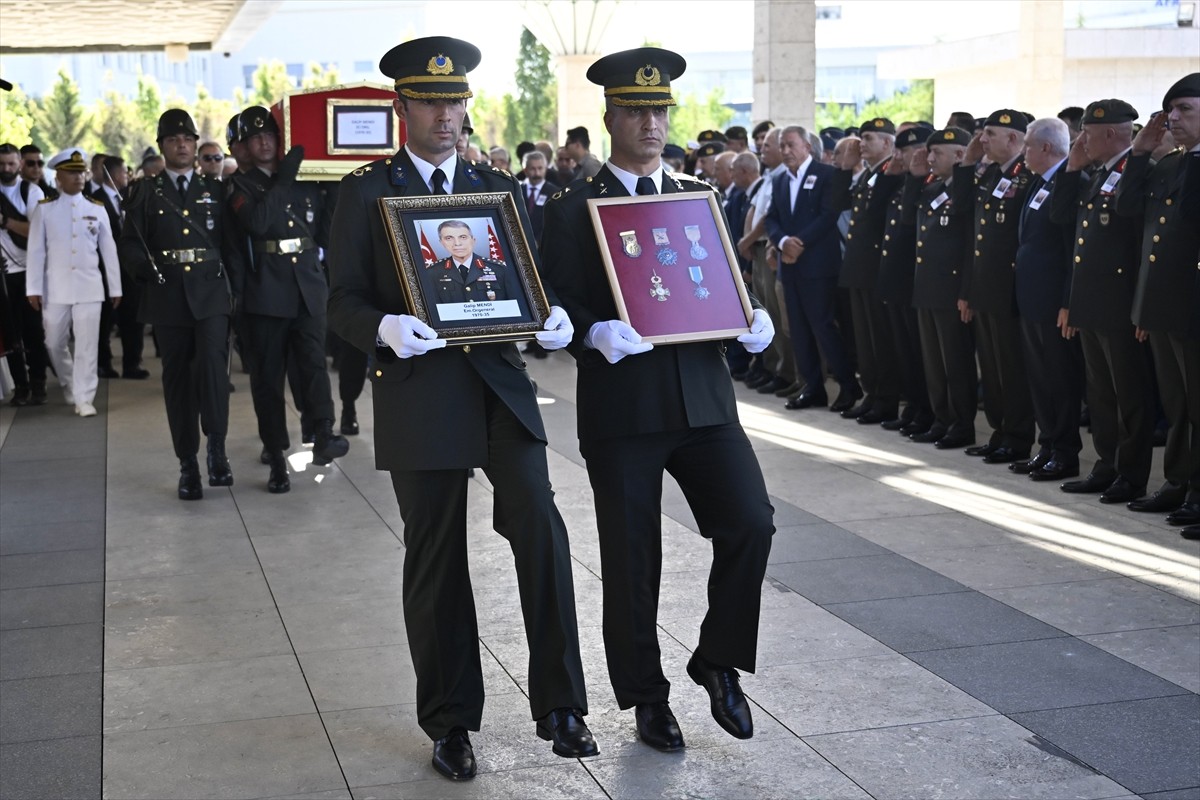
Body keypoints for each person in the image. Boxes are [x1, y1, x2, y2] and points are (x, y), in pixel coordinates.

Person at [326, 36, 594, 782]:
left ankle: (562, 705)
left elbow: (528, 283)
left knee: (540, 524)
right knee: (437, 554)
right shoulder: (366, 192)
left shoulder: (493, 189)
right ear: (401, 106)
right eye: (430, 101)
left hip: (499, 385)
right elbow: (340, 299)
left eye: (456, 101)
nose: (446, 115)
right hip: (420, 390)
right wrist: (383, 327)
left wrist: (552, 317)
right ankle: (450, 722)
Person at [538, 46, 776, 754]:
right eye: (637, 111)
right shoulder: (573, 207)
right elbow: (554, 298)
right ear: (610, 117)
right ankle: (646, 696)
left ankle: (718, 659)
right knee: (632, 561)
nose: (651, 123)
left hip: (704, 400)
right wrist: (591, 331)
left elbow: (721, 280)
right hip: (625, 408)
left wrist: (752, 316)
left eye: (659, 110)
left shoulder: (696, 197)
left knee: (750, 524)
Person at [227, 105, 349, 493]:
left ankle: (324, 431)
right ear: (244, 147)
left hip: (307, 286)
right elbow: (259, 222)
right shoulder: (239, 187)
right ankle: (277, 453)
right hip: (265, 292)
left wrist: (333, 180)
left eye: (270, 135)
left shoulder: (302, 180)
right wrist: (287, 176)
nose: (265, 142)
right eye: (255, 138)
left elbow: (324, 231)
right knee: (268, 377)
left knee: (314, 364)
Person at [119, 109, 235, 499]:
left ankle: (216, 449)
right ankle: (188, 464)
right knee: (178, 381)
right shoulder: (145, 191)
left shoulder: (215, 188)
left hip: (211, 293)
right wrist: (141, 267)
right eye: (173, 140)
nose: (181, 145)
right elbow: (130, 242)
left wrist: (237, 292)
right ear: (162, 146)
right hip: (167, 294)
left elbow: (232, 245)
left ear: (196, 144)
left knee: (214, 370)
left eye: (187, 139)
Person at [1049, 98, 1152, 505]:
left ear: (1110, 132)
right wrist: (1072, 169)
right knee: (1102, 394)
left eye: (1087, 134)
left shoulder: (1135, 171)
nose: (1081, 141)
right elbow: (1063, 220)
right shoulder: (1097, 174)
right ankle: (1107, 465)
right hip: (1092, 302)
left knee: (1129, 395)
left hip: (1120, 303)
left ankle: (1131, 474)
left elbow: (1137, 243)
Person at [1116, 73, 1200, 530]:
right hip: (1165, 302)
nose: (1173, 118)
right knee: (1178, 403)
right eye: (1170, 111)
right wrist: (1140, 153)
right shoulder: (1170, 164)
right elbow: (1128, 209)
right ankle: (1179, 481)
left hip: (1193, 303)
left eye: (1185, 109)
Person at [953, 110, 1037, 465]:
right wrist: (967, 164)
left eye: (989, 134)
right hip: (984, 287)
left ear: (1013, 139)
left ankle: (1017, 437)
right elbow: (965, 217)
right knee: (991, 368)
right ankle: (999, 431)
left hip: (1009, 290)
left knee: (1011, 369)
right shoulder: (990, 174)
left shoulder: (1026, 176)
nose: (982, 140)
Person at [765, 125, 861, 412]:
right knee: (798, 330)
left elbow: (828, 215)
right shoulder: (780, 180)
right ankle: (813, 387)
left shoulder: (826, 174)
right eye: (782, 145)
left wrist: (799, 243)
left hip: (818, 266)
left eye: (790, 144)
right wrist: (783, 242)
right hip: (789, 265)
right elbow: (771, 218)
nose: (785, 151)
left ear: (807, 147)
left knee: (823, 327)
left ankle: (848, 386)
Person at [1012, 118, 1084, 481]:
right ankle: (1048, 445)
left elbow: (1071, 250)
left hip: (1055, 301)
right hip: (1032, 298)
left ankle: (1065, 452)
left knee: (1060, 380)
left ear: (1045, 147)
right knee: (1040, 379)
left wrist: (1068, 301)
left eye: (1027, 146)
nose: (1022, 152)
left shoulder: (1069, 182)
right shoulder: (1039, 182)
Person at [25, 148, 122, 417]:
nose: (78, 177)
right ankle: (68, 380)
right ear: (58, 177)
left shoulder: (96, 208)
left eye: (81, 172)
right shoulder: (45, 210)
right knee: (53, 342)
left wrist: (115, 287)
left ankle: (84, 397)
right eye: (71, 173)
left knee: (87, 345)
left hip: (90, 287)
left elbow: (109, 250)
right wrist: (33, 288)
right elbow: (36, 251)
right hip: (55, 288)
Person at [903, 128, 979, 449]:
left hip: (951, 289)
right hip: (927, 287)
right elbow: (909, 220)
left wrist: (966, 291)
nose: (930, 158)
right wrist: (915, 178)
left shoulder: (966, 189)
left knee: (956, 362)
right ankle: (941, 419)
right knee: (934, 363)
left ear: (960, 155)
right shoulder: (932, 187)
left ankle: (961, 424)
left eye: (937, 153)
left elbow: (969, 245)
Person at [831, 118, 901, 425]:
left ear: (887, 143)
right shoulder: (869, 175)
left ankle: (885, 399)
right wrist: (845, 168)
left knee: (880, 340)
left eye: (868, 138)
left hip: (875, 270)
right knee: (865, 341)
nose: (861, 144)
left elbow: (874, 217)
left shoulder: (890, 174)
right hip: (857, 269)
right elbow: (837, 203)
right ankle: (872, 395)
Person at [0, 142, 50, 406]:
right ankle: (20, 385)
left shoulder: (31, 191)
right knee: (10, 333)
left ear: (19, 163)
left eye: (11, 163)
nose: (6, 168)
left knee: (33, 331)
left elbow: (36, 231)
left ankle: (38, 381)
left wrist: (5, 221)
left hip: (29, 272)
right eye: (1, 164)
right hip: (3, 275)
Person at [90, 154, 148, 380]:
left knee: (133, 318)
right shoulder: (94, 200)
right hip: (104, 270)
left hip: (130, 269)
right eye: (125, 171)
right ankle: (104, 363)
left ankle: (132, 363)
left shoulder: (129, 197)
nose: (127, 175)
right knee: (104, 320)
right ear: (115, 174)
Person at [418, 219, 528, 324]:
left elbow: (517, 309)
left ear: (473, 240)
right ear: (441, 242)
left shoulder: (499, 269)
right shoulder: (432, 273)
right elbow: (434, 314)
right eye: (449, 238)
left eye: (463, 237)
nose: (457, 243)